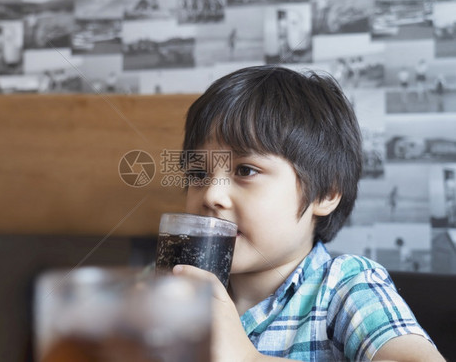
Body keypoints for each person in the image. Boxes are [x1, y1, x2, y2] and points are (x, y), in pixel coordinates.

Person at [172, 65, 444, 361]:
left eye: (245, 170)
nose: (212, 194)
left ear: (325, 193)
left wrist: (250, 359)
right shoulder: (180, 285)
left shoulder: (346, 287)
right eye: (198, 173)